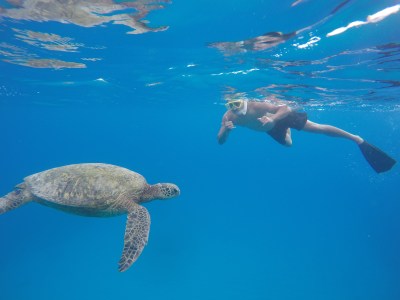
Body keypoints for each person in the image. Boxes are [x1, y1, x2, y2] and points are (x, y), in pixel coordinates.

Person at [217, 99, 396, 173]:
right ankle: (286, 131)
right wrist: (226, 130)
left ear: (245, 101)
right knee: (288, 144)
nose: (235, 109)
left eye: (238, 103)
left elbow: (285, 108)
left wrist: (274, 118)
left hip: (279, 117)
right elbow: (220, 142)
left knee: (316, 128)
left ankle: (355, 138)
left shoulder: (257, 105)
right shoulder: (228, 117)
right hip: (268, 127)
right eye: (231, 105)